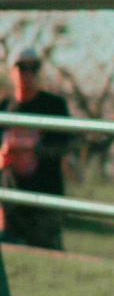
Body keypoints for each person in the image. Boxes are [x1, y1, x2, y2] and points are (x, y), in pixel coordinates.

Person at [0, 48, 72, 250]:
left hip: (45, 201)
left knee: (48, 256)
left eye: (34, 68)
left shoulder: (54, 106)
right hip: (11, 202)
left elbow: (65, 146)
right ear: (11, 70)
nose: (28, 73)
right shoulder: (4, 107)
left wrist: (33, 150)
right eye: (22, 67)